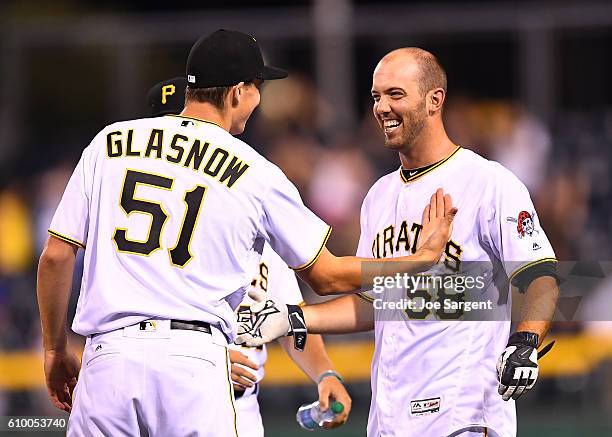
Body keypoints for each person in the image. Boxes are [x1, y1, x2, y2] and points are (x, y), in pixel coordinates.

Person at [37, 29, 455, 437]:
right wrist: (418, 260)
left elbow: (56, 256)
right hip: (194, 362)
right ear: (238, 92)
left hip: (107, 359)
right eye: (257, 88)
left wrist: (55, 350)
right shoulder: (253, 171)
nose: (258, 99)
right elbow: (326, 277)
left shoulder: (109, 142)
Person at [236, 48, 560, 437]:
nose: (382, 108)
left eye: (396, 94)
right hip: (390, 417)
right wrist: (295, 319)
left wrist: (525, 341)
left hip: (462, 413)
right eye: (375, 96)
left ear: (434, 100)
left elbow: (539, 272)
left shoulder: (488, 182)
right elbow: (379, 303)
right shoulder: (379, 195)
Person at [146, 77, 352, 434]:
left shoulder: (246, 207)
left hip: (236, 412)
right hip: (160, 398)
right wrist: (196, 362)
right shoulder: (135, 235)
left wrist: (324, 372)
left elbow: (290, 315)